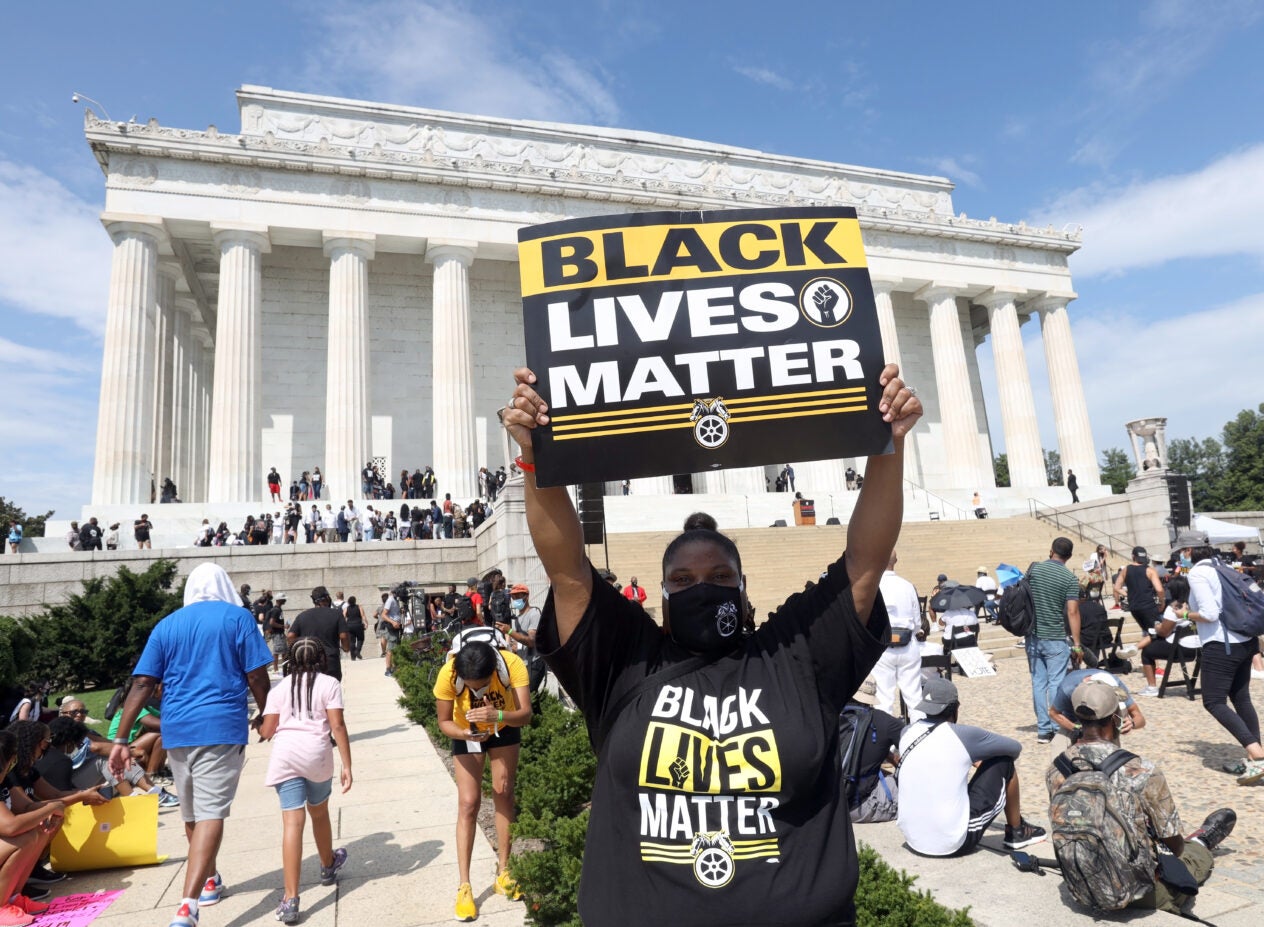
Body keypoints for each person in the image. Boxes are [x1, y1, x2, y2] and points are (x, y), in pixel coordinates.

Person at [501, 362, 920, 926]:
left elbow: (865, 564)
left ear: (746, 596)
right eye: (683, 581)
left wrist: (886, 443)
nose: (703, 590)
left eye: (721, 578)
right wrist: (535, 457)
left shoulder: (793, 657)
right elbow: (570, 570)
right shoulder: (626, 662)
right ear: (663, 600)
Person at [109, 562, 272, 927]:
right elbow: (257, 674)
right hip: (220, 727)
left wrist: (121, 738)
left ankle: (209, 881)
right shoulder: (237, 618)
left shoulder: (167, 625)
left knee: (192, 813)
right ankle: (188, 904)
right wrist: (269, 712)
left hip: (176, 729)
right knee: (212, 813)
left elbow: (141, 683)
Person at [1046, 679, 1237, 916]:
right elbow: (1174, 846)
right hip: (1140, 893)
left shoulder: (1057, 768)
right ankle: (1203, 841)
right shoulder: (1141, 770)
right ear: (1115, 717)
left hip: (1082, 883)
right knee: (1191, 857)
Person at [433, 641, 531, 921]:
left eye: (482, 684)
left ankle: (504, 871)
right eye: (470, 685)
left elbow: (525, 715)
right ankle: (464, 886)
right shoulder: (448, 673)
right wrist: (465, 733)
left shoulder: (511, 664)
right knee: (468, 803)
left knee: (503, 792)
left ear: (493, 671)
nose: (477, 690)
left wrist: (497, 715)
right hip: (467, 732)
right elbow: (443, 721)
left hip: (505, 725)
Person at [259, 638, 352, 924]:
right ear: (321, 658)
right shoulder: (329, 684)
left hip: (286, 755)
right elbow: (337, 725)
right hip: (317, 755)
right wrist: (347, 764)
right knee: (319, 812)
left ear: (289, 659)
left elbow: (268, 731)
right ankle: (327, 864)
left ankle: (290, 899)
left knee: (292, 823)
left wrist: (259, 723)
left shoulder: (280, 688)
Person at [897, 678, 1045, 856]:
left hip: (913, 838)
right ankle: (1017, 830)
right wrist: (976, 756)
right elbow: (1015, 748)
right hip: (952, 842)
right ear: (955, 708)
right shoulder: (964, 735)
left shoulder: (906, 732)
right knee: (1004, 762)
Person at [1181, 530, 1264, 784]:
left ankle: (1258, 756)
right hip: (1246, 641)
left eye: (1182, 552)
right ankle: (1255, 759)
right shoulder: (1222, 566)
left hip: (1222, 644)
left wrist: (1184, 615)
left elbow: (1210, 613)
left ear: (1188, 552)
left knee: (1213, 701)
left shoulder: (1197, 573)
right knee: (1241, 698)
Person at [0, 728, 64, 925]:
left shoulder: (4, 778)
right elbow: (10, 827)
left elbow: (26, 806)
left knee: (38, 830)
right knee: (23, 839)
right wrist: (50, 808)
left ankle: (12, 898)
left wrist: (55, 808)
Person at [1026, 537, 1083, 745]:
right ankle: (1059, 725)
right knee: (1056, 682)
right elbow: (1073, 611)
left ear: (1051, 551)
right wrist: (1076, 643)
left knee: (1038, 682)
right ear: (1069, 556)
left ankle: (1043, 729)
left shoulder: (1034, 570)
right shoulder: (1069, 578)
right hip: (1055, 635)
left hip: (1032, 634)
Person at [1046, 669, 1145, 758]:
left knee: (1112, 754)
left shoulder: (1116, 684)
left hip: (1106, 718)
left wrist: (1132, 724)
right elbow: (1054, 713)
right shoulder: (1068, 688)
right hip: (1074, 720)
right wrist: (1076, 728)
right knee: (1058, 749)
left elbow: (1140, 718)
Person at [873, 551, 923, 718]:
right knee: (914, 696)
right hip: (908, 643)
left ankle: (883, 741)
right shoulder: (907, 585)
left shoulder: (873, 585)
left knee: (883, 697)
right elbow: (917, 622)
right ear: (896, 561)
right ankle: (921, 738)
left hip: (882, 645)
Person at [1136, 575, 1194, 696]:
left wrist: (1157, 626)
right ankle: (1134, 647)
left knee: (1147, 651)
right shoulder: (1194, 604)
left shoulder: (1174, 607)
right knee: (1156, 639)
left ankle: (1152, 687)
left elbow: (1164, 632)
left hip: (1181, 649)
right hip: (1197, 649)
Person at [288, 587, 350, 682]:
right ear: (327, 598)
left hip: (308, 662)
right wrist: (346, 648)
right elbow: (343, 636)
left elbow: (290, 636)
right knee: (331, 692)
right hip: (330, 662)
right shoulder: (337, 614)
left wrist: (298, 652)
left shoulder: (302, 616)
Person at [499, 584, 545, 695]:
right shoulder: (517, 618)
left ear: (526, 597)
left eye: (517, 597)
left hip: (534, 663)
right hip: (523, 662)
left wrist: (510, 632)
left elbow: (531, 641)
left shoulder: (534, 614)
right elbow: (520, 642)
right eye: (513, 598)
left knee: (529, 695)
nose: (515, 600)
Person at [1114, 546, 1163, 635]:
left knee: (1146, 630)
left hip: (1134, 607)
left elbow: (1117, 587)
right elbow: (1159, 590)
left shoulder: (1126, 569)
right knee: (1157, 632)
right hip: (1149, 606)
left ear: (1133, 556)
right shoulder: (1150, 570)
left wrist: (1128, 595)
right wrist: (1162, 603)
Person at [344, 595, 366, 660]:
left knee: (351, 641)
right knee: (360, 639)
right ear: (355, 601)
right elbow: (363, 616)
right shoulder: (359, 607)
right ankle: (357, 651)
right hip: (358, 625)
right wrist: (366, 623)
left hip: (349, 626)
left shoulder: (346, 608)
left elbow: (343, 617)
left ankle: (353, 656)